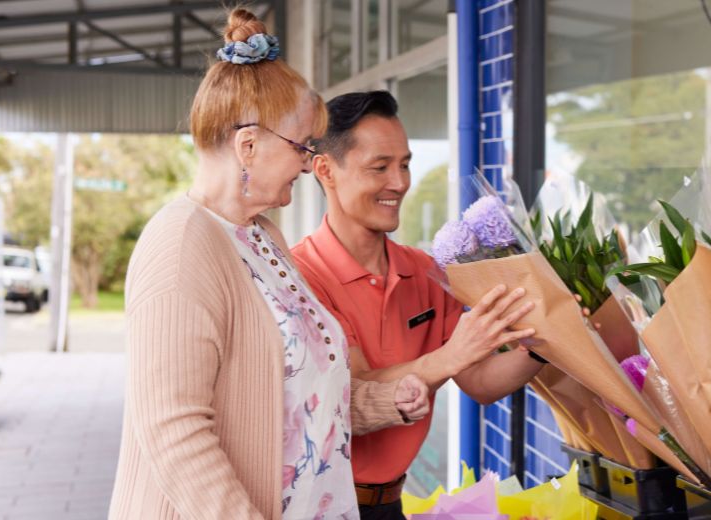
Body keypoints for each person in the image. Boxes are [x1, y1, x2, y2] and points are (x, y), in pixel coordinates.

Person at [108, 11, 433, 520]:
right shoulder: (180, 245)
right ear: (249, 145)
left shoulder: (263, 237)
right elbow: (174, 433)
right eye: (303, 147)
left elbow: (298, 396)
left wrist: (388, 401)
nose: (309, 165)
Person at [292, 91, 544, 519]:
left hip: (391, 504)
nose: (400, 182)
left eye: (405, 164)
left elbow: (480, 382)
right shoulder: (301, 277)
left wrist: (545, 341)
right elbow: (351, 391)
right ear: (325, 170)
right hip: (319, 504)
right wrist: (449, 356)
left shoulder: (425, 270)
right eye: (380, 167)